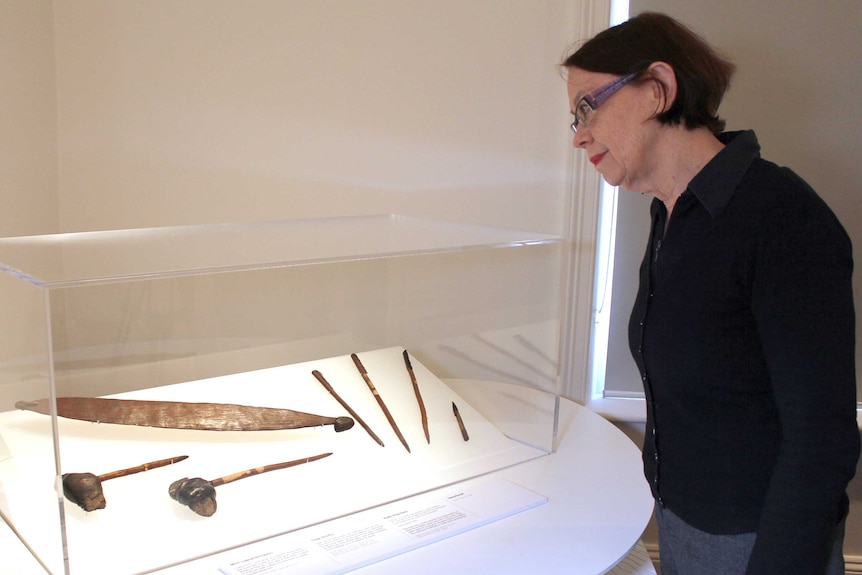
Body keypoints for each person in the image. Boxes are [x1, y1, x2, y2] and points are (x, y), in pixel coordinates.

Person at [562, 12, 860, 575]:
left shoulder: (781, 214)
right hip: (681, 521)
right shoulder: (668, 213)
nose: (578, 134)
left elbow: (822, 439)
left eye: (586, 106)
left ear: (658, 89)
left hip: (761, 542)